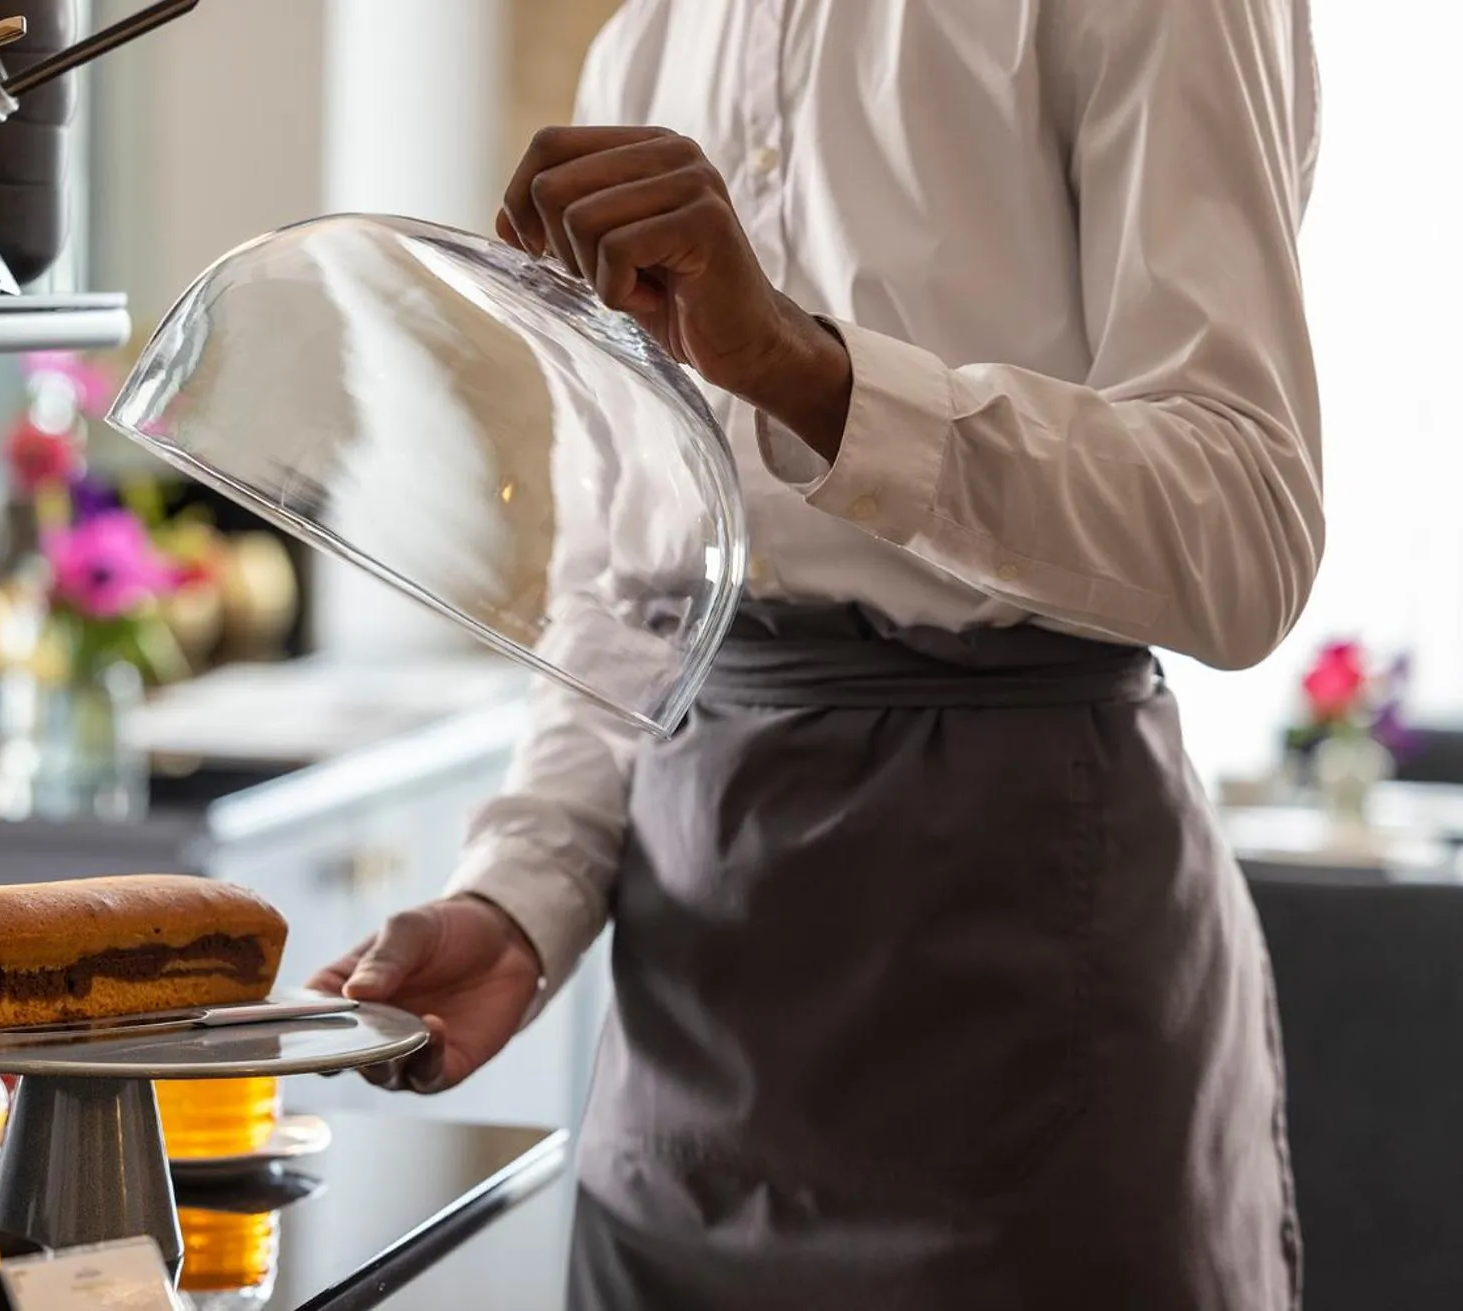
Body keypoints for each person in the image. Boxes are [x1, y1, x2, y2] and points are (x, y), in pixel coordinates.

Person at [310, 0, 1321, 1306]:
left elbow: (1243, 532)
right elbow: (628, 586)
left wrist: (808, 372)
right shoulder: (644, 40)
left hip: (1026, 981)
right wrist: (520, 891)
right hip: (686, 1049)